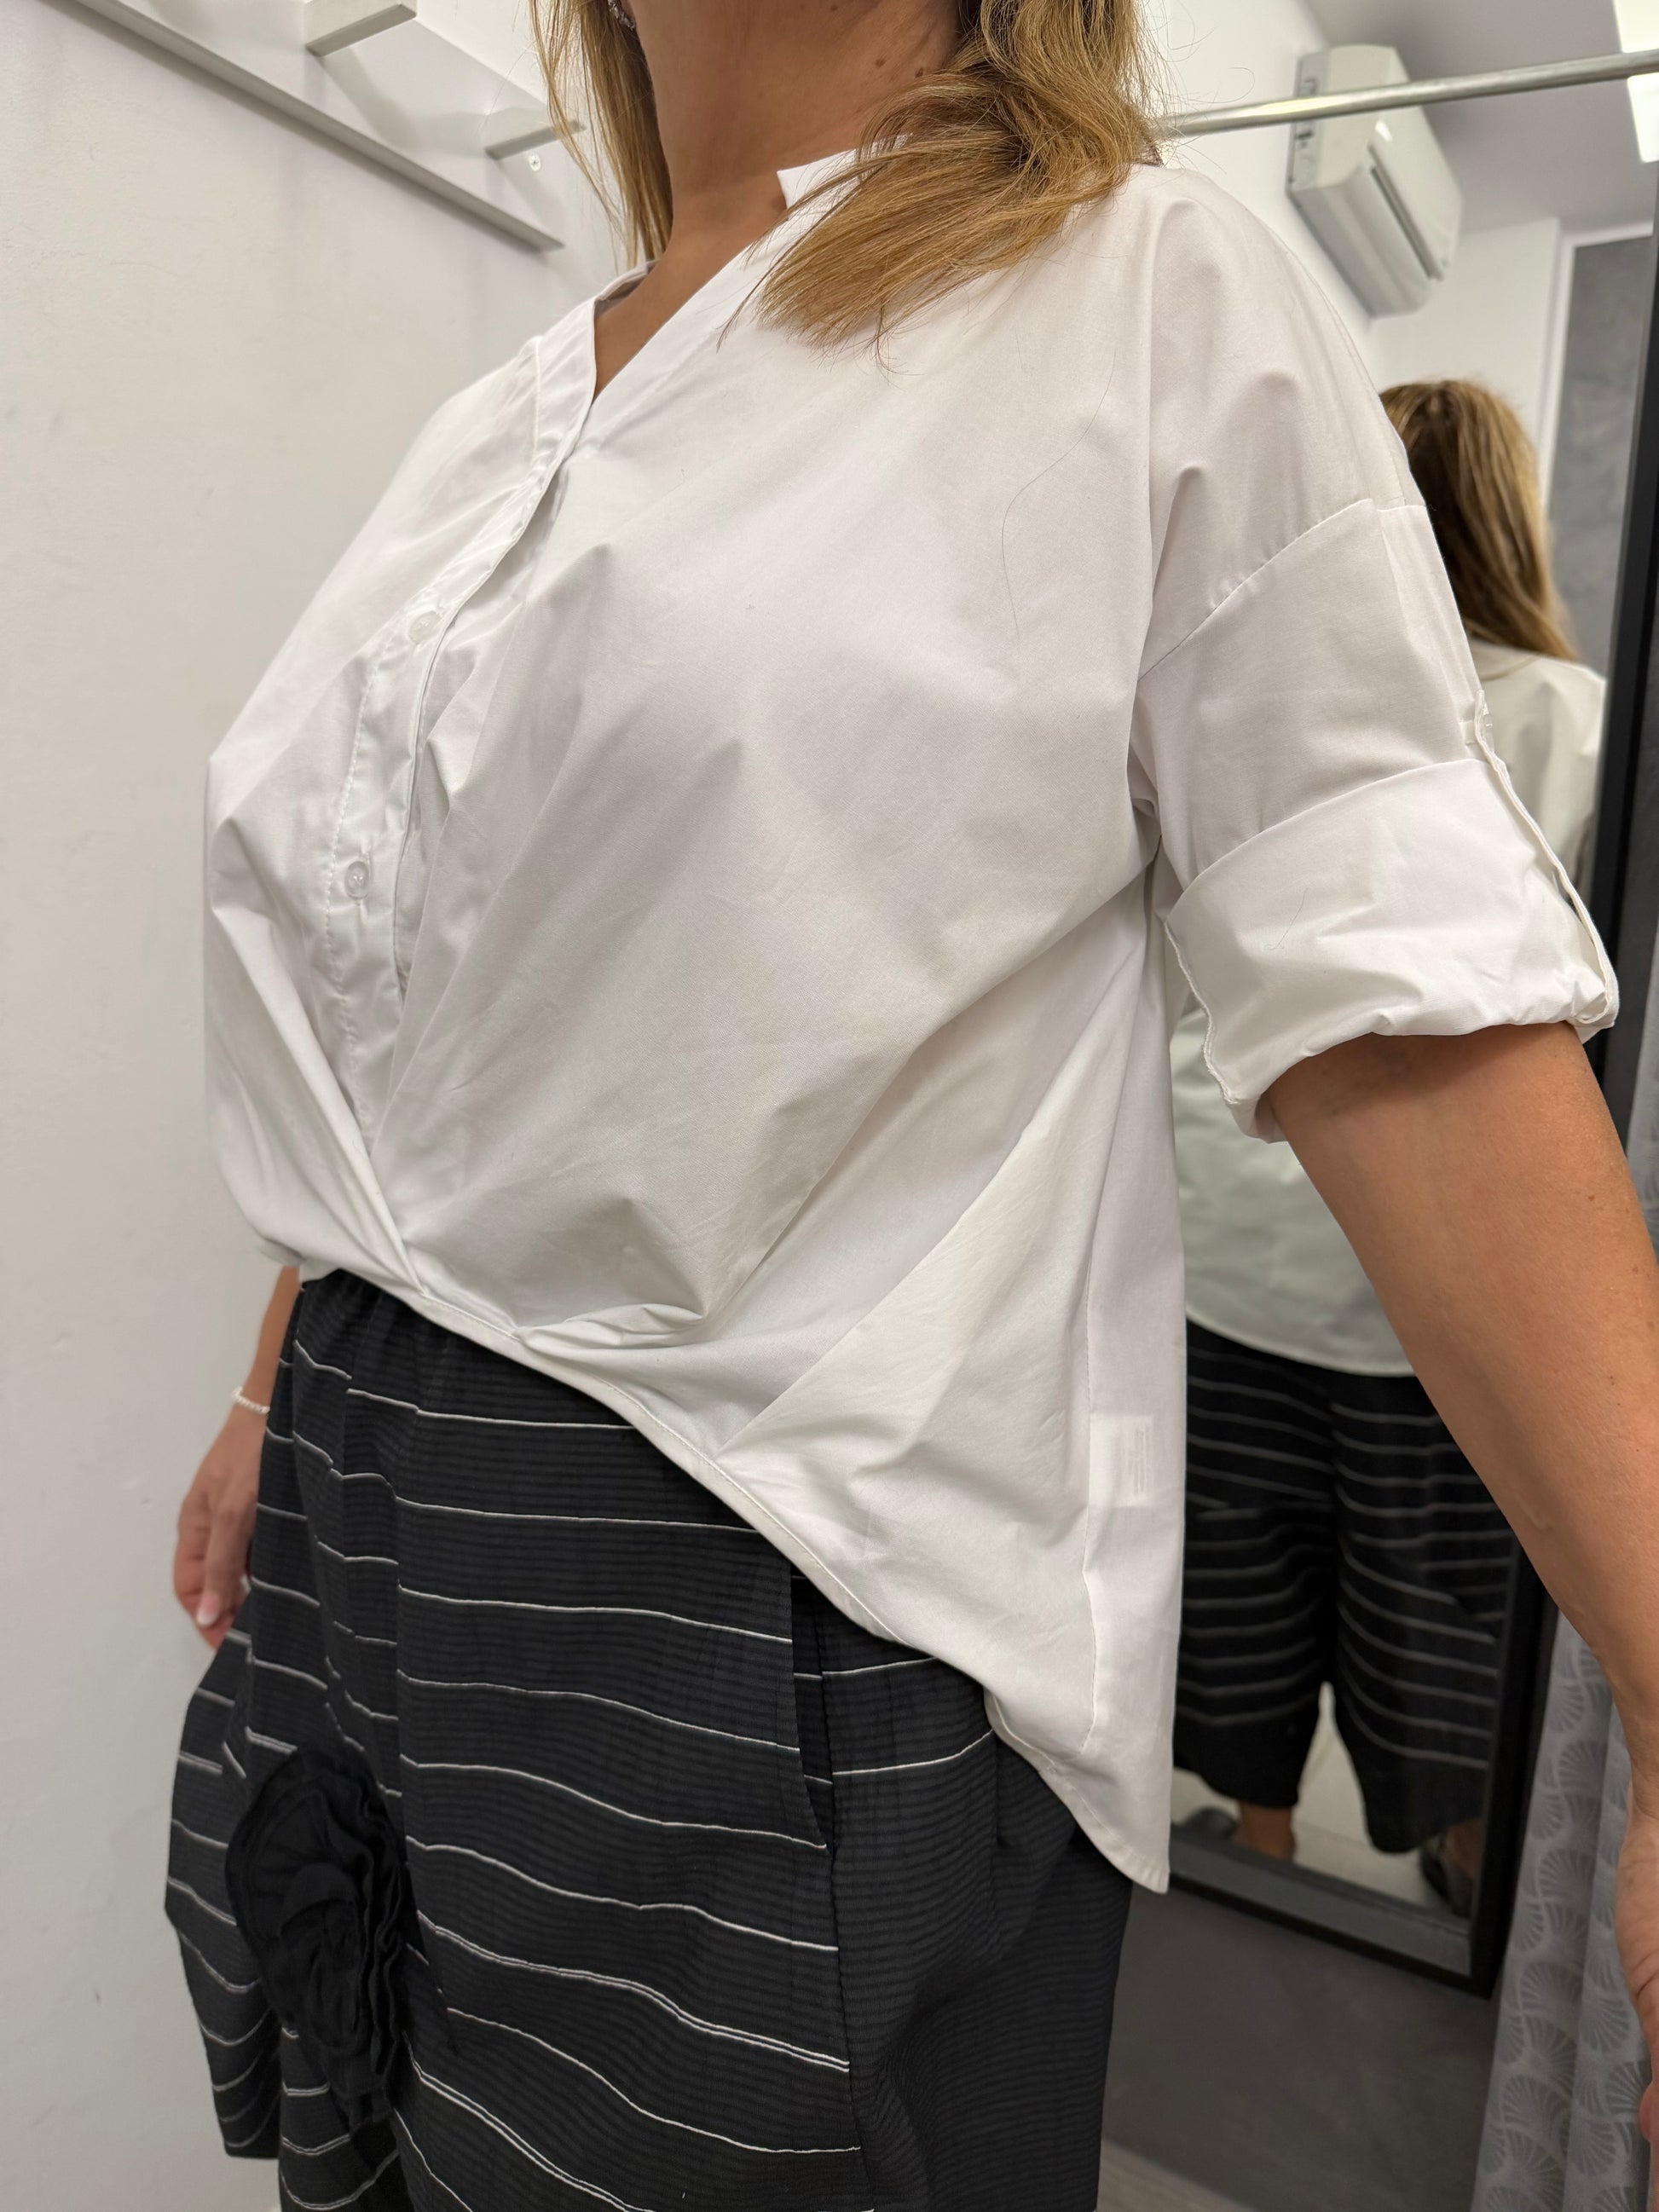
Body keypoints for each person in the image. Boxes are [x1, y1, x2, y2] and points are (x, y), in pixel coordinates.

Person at [163, 6, 1659, 2207]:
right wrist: (280, 1368)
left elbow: (1396, 1004)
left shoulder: (1135, 290)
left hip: (766, 1585)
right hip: (368, 1525)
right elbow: (441, 1005)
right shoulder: (524, 396)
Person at [1170, 379, 1608, 1914]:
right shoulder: (1570, 721)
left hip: (1243, 1250)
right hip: (1423, 1283)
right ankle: (1457, 1869)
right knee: (1424, 1608)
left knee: (1245, 1576)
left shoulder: (1265, 708)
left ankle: (1269, 1845)